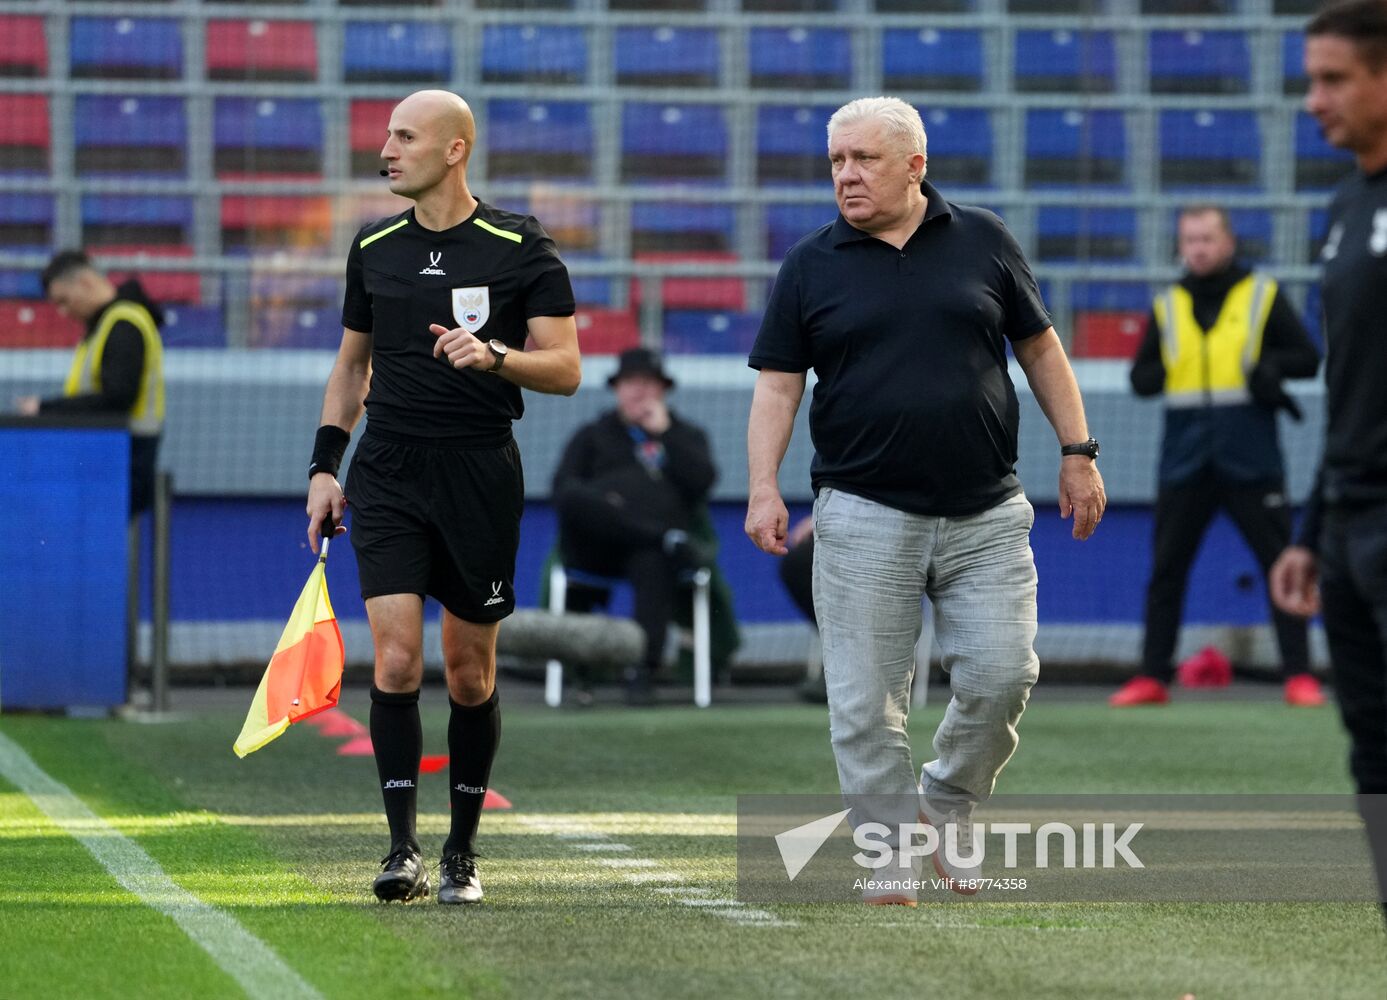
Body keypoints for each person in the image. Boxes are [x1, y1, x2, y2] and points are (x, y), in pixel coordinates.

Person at [744, 96, 1105, 904]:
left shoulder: (982, 239)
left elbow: (1040, 349)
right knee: (866, 701)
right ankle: (886, 851)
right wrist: (763, 486)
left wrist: (1078, 454)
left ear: (914, 165)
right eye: (835, 161)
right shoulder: (809, 263)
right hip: (862, 512)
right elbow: (776, 386)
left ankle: (945, 807)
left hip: (986, 513)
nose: (844, 176)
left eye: (862, 159)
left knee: (1003, 676)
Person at [304, 90, 580, 905]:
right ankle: (400, 852)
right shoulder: (375, 245)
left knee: (466, 672)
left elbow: (564, 368)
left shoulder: (521, 247)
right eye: (386, 135)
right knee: (393, 658)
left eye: (404, 136)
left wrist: (495, 356)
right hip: (385, 470)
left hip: (478, 474)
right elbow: (353, 368)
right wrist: (325, 467)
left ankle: (462, 852)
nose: (386, 149)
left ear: (454, 150)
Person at [1111, 206, 1324, 708]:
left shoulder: (1262, 296)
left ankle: (1299, 676)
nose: (1198, 248)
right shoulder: (1168, 305)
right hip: (1185, 460)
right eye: (1190, 240)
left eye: (1207, 238)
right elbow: (1143, 377)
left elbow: (1308, 358)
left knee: (1281, 565)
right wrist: (1150, 373)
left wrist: (1271, 367)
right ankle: (1152, 676)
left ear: (1228, 241)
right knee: (1166, 569)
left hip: (1251, 458)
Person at [1272, 0, 1387, 919]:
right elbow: (1347, 386)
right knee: (1371, 745)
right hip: (1348, 524)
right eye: (1310, 78)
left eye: (1333, 78)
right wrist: (1311, 525)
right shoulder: (1342, 208)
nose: (1312, 100)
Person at [550, 347, 717, 705]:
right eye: (631, 383)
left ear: (663, 390)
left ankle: (643, 670)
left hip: (649, 555)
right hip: (597, 548)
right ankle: (661, 536)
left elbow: (702, 482)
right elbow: (564, 491)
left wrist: (666, 434)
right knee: (585, 500)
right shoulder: (592, 435)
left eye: (648, 384)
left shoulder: (686, 435)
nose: (639, 391)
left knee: (654, 560)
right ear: (617, 389)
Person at [16, 250, 165, 516]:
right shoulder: (107, 324)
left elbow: (118, 397)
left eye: (64, 300)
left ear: (85, 281)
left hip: (122, 461)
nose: (63, 312)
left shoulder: (123, 325)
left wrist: (45, 409)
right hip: (110, 459)